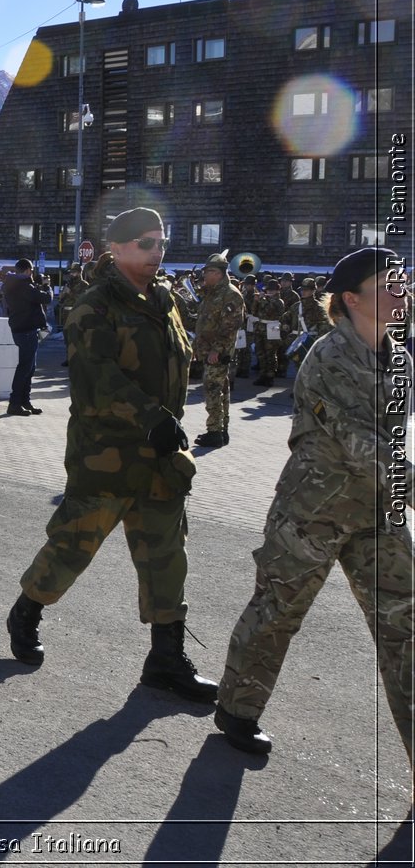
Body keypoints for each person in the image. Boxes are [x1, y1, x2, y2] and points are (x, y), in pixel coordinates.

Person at [6, 207, 215, 703]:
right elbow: (96, 378)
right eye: (145, 243)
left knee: (167, 558)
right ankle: (27, 609)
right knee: (72, 547)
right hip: (108, 456)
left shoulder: (165, 302)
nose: (156, 252)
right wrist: (149, 415)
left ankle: (166, 658)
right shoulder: (94, 307)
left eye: (162, 243)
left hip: (161, 458)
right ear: (117, 248)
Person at [214, 247, 413, 760]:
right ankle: (237, 709)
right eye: (390, 283)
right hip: (312, 511)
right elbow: (362, 442)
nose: (403, 290)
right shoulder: (329, 355)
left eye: (403, 281)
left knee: (405, 629)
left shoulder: (400, 358)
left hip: (377, 516)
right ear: (352, 299)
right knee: (278, 611)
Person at [192, 253, 246, 449]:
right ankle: (221, 431)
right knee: (220, 389)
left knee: (213, 390)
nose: (206, 275)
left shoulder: (230, 294)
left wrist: (217, 349)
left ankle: (214, 431)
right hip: (208, 349)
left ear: (220, 273)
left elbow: (230, 326)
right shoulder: (212, 292)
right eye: (205, 271)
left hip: (217, 352)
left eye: (210, 271)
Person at [3, 258, 53, 416]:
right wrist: (47, 286)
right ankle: (15, 403)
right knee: (25, 368)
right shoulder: (23, 286)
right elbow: (46, 298)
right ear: (27, 271)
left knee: (30, 368)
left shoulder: (13, 284)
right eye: (31, 270)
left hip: (21, 329)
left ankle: (24, 401)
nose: (32, 273)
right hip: (26, 331)